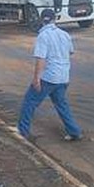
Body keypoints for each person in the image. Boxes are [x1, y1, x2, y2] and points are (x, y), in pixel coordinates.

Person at [17, 9, 83, 141]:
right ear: (54, 19)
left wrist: (36, 79)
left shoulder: (43, 36)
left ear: (42, 20)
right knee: (61, 104)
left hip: (48, 77)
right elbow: (70, 52)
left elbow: (41, 59)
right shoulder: (64, 35)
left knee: (29, 102)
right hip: (63, 77)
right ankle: (74, 131)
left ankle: (23, 132)